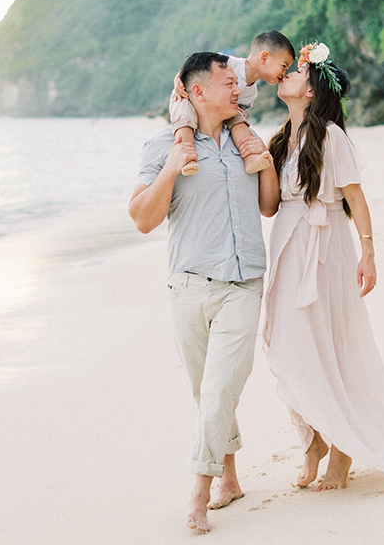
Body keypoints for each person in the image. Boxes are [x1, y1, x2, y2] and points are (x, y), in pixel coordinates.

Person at [129, 51, 280, 533]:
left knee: (218, 388)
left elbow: (269, 206)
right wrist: (173, 168)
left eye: (237, 83)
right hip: (188, 286)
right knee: (206, 393)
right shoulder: (163, 145)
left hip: (243, 283)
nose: (237, 90)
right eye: (227, 83)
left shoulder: (246, 143)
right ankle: (231, 478)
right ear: (196, 92)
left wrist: (266, 160)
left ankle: (199, 490)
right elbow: (142, 219)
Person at [263, 42, 384, 491]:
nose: (287, 75)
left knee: (330, 343)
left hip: (325, 245)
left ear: (312, 92)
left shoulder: (330, 135)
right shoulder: (281, 138)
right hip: (288, 245)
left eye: (297, 73)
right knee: (294, 345)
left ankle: (342, 449)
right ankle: (313, 436)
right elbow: (271, 207)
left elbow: (355, 197)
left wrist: (367, 252)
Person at [169, 31, 294, 177]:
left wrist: (238, 112)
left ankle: (250, 156)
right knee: (185, 118)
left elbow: (233, 112)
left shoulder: (251, 93)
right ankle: (187, 157)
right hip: (186, 97)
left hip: (221, 110)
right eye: (284, 66)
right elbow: (196, 65)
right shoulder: (227, 63)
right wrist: (178, 78)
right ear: (264, 57)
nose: (284, 73)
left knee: (239, 120)